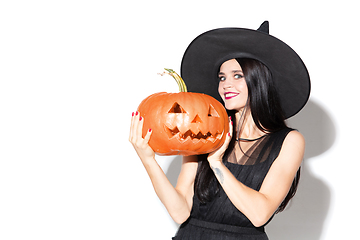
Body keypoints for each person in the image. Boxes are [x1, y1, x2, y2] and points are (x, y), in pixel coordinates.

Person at [129, 21, 310, 240]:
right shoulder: (203, 132)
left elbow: (259, 214)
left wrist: (216, 164)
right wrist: (148, 160)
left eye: (237, 75)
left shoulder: (289, 141)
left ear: (259, 79)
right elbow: (180, 212)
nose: (225, 85)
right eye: (222, 77)